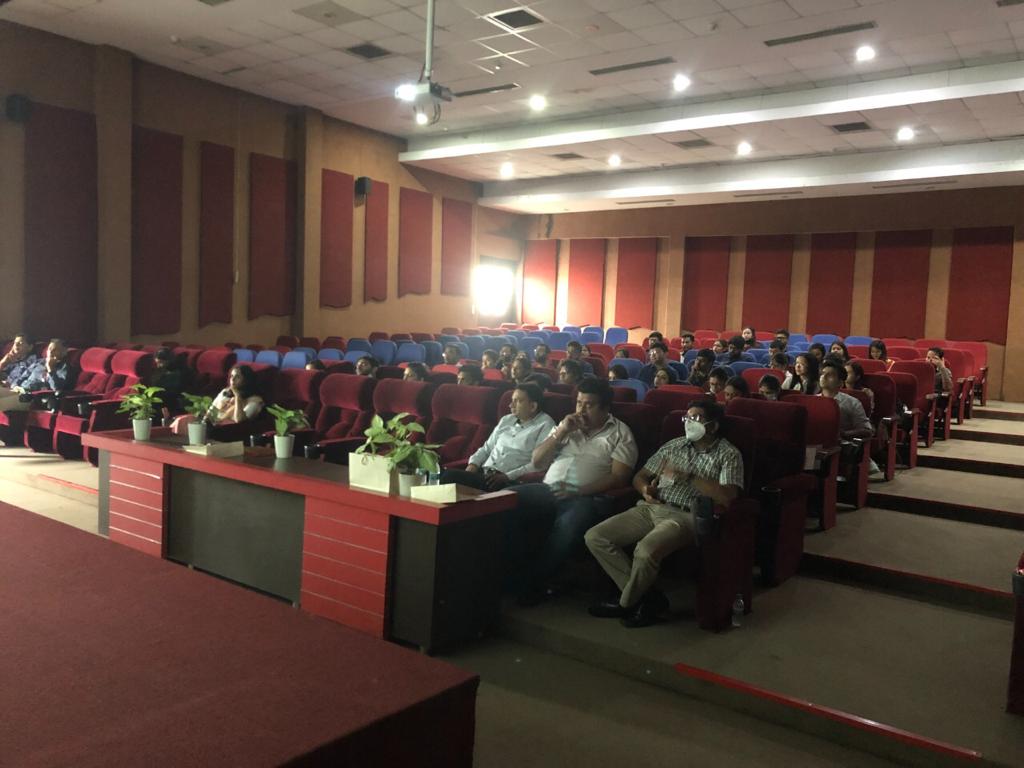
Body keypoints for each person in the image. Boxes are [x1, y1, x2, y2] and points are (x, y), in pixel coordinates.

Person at [585, 398, 742, 628]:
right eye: (687, 417)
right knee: (596, 537)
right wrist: (644, 489)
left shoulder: (728, 453)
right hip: (652, 506)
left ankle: (625, 603)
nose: (689, 422)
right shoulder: (674, 445)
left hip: (686, 515)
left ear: (713, 425)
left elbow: (728, 497)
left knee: (645, 551)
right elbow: (640, 476)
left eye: (696, 418)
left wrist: (690, 476)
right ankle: (647, 598)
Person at [508, 378, 638, 605]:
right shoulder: (566, 426)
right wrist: (561, 432)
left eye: (589, 405)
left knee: (567, 529)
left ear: (605, 408)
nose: (581, 410)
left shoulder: (620, 433)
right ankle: (504, 571)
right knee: (503, 502)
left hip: (584, 497)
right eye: (579, 403)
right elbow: (537, 461)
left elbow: (619, 477)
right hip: (547, 489)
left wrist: (577, 491)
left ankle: (531, 583)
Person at [439, 383, 554, 491]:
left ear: (533, 406)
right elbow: (487, 448)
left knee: (448, 477)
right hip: (484, 474)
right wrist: (473, 465)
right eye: (512, 400)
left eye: (517, 401)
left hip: (508, 482)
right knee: (438, 474)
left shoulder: (545, 425)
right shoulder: (506, 420)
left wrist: (507, 477)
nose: (510, 405)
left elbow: (539, 464)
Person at [172, 365, 264, 434]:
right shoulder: (225, 392)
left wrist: (237, 396)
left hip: (227, 430)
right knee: (183, 420)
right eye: (231, 376)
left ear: (246, 380)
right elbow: (211, 412)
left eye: (237, 377)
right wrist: (204, 419)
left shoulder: (255, 401)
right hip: (212, 424)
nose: (232, 379)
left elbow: (239, 420)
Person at [0, 339, 75, 412]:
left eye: (55, 350)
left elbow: (57, 389)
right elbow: (24, 375)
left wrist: (50, 369)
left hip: (31, 397)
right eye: (49, 349)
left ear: (64, 353)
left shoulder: (64, 368)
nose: (51, 352)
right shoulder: (39, 362)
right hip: (18, 389)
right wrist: (13, 385)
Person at [819, 361, 873, 440]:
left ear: (840, 383)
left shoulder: (852, 403)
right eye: (822, 374)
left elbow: (866, 430)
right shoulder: (813, 400)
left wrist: (844, 434)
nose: (824, 377)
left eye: (830, 375)